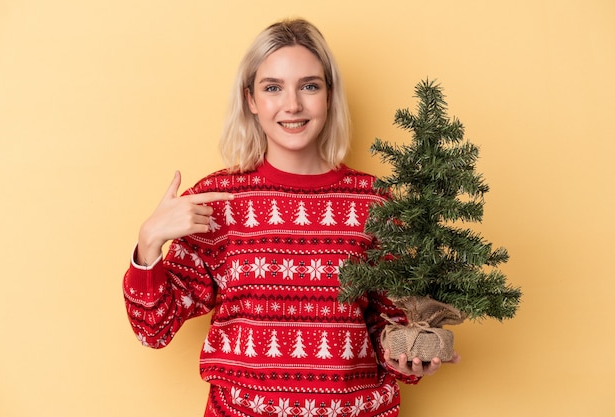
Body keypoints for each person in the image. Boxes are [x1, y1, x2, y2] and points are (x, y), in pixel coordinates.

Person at [123, 18, 459, 417]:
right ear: (250, 99)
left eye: (309, 86)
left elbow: (391, 325)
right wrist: (148, 243)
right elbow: (153, 330)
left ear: (329, 95)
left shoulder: (373, 202)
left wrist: (408, 358)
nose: (293, 104)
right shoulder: (217, 201)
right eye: (273, 88)